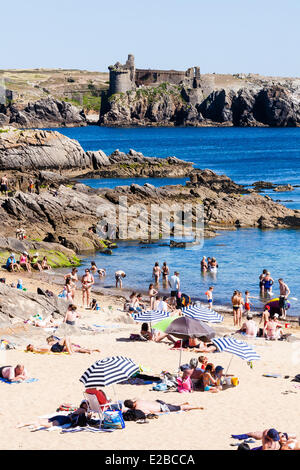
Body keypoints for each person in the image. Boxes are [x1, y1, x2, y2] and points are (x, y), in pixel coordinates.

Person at [17, 400, 91, 431]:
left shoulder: (80, 409)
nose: (87, 406)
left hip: (62, 417)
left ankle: (23, 423)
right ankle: (37, 424)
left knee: (43, 420)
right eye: (86, 404)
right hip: (65, 419)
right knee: (50, 424)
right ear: (84, 405)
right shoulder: (83, 410)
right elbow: (87, 417)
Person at [123, 399, 204, 415]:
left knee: (181, 408)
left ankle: (197, 407)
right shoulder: (138, 400)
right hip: (159, 402)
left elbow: (148, 412)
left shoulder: (138, 408)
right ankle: (182, 402)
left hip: (162, 408)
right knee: (171, 404)